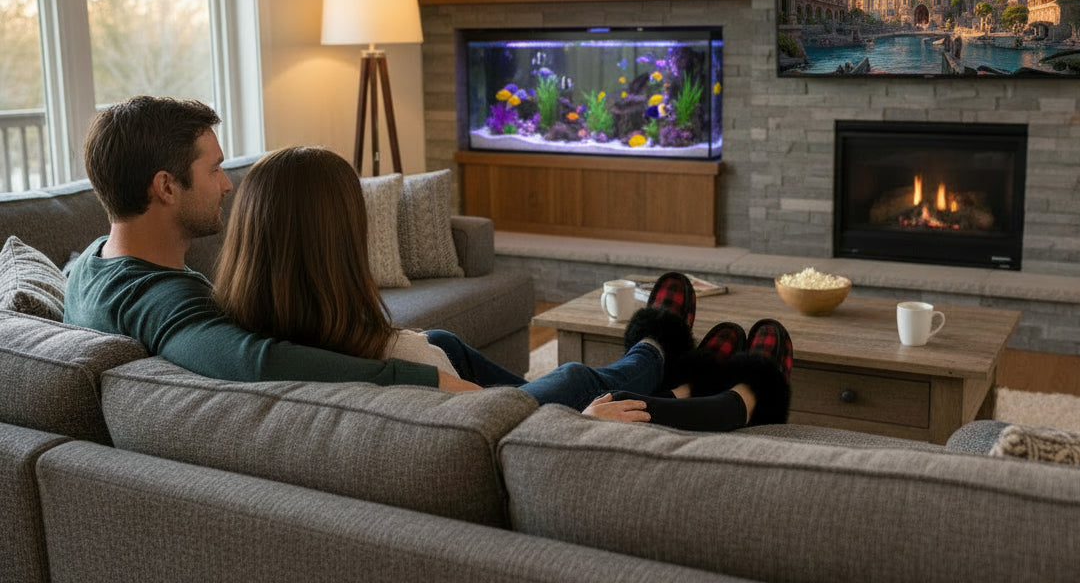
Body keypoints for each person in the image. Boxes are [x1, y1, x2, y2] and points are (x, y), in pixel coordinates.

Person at [214, 145, 794, 429]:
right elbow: (505, 428)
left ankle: (669, 368)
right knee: (572, 378)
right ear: (338, 244)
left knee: (443, 335)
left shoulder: (227, 329)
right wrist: (577, 420)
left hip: (435, 392)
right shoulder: (404, 360)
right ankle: (669, 356)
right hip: (475, 429)